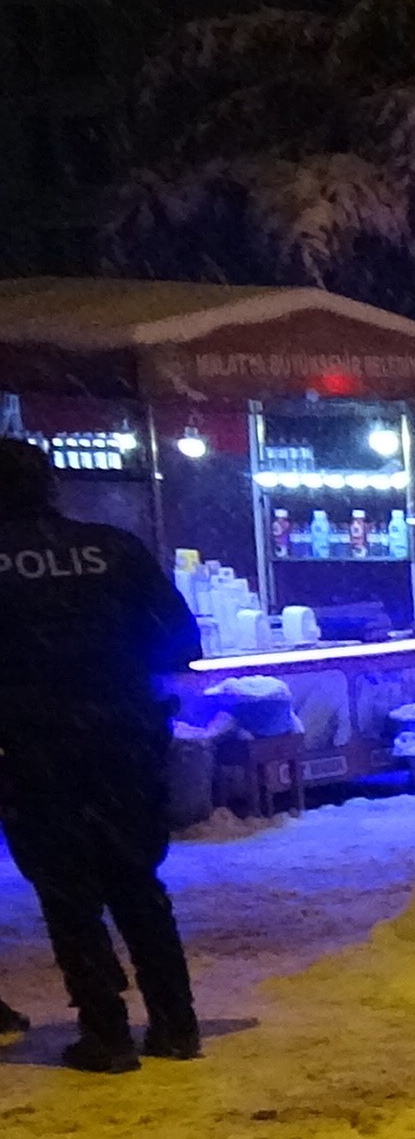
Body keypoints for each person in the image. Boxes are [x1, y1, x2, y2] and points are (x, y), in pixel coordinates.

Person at [0, 436, 202, 1073]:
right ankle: (175, 1025)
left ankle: (107, 1033)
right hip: (124, 741)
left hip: (33, 751)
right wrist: (111, 674)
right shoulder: (115, 548)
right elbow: (179, 639)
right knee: (137, 883)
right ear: (50, 486)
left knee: (68, 895)